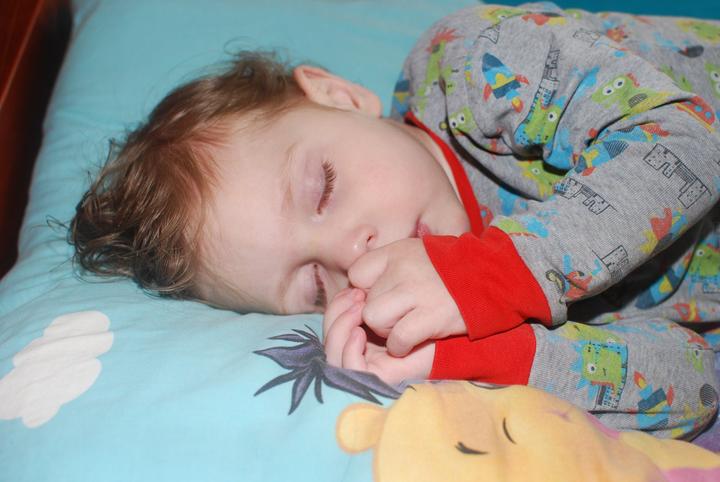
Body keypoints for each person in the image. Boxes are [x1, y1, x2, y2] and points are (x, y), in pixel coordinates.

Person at [71, 3, 720, 437]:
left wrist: (496, 272)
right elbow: (695, 383)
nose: (355, 254)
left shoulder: (473, 66)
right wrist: (482, 356)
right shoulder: (448, 310)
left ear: (340, 97)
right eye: (316, 285)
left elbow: (689, 145)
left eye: (324, 189)